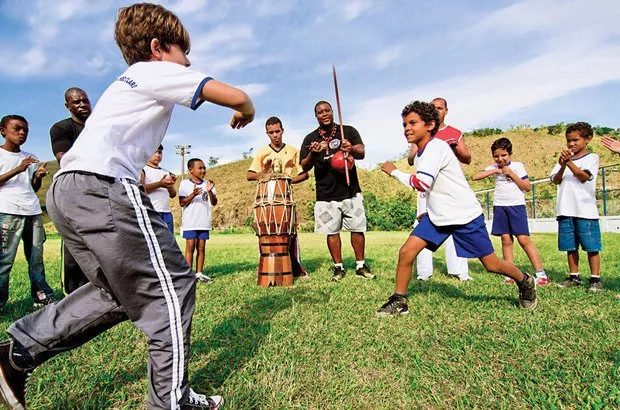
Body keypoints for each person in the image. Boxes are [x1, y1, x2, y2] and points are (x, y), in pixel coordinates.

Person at [0, 4, 254, 410]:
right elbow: (237, 96)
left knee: (117, 293)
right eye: (182, 51)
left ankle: (16, 353)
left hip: (67, 191)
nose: (188, 62)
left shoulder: (124, 84)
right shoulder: (153, 70)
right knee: (174, 286)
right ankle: (171, 403)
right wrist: (246, 110)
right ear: (157, 47)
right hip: (103, 187)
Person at [376, 101, 537, 317]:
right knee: (406, 252)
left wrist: (394, 171)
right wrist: (430, 210)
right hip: (438, 217)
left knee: (492, 264)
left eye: (413, 122)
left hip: (465, 216)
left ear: (430, 124)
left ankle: (525, 281)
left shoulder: (436, 147)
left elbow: (422, 184)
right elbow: (435, 188)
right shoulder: (422, 153)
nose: (407, 128)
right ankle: (399, 300)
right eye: (404, 124)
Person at [300, 101, 374, 282]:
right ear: (316, 116)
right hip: (326, 193)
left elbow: (361, 152)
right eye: (319, 112)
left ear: (332, 112)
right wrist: (312, 153)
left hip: (350, 190)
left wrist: (350, 148)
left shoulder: (347, 131)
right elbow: (304, 165)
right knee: (331, 231)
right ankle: (338, 267)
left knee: (357, 229)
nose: (324, 114)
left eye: (327, 110)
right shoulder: (310, 138)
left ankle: (360, 265)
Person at [407, 97, 471, 281]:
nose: (437, 110)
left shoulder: (454, 133)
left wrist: (454, 149)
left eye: (440, 108)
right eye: (433, 108)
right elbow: (411, 159)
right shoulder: (421, 132)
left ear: (446, 111)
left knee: (454, 223)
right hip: (425, 187)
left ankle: (459, 271)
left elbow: (467, 158)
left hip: (447, 189)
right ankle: (424, 272)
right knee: (423, 225)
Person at [472, 137, 549, 286]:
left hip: (516, 206)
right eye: (496, 156)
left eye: (503, 155)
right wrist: (496, 170)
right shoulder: (494, 167)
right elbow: (475, 176)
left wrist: (511, 174)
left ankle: (541, 274)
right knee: (505, 240)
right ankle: (509, 273)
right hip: (500, 206)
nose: (500, 159)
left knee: (523, 240)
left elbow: (526, 187)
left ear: (510, 153)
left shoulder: (518, 166)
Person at [0, 115, 56, 311]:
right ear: (3, 131)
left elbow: (33, 188)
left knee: (36, 258)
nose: (22, 133)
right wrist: (19, 168)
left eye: (26, 130)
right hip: (6, 211)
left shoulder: (30, 158)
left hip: (32, 211)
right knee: (4, 260)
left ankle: (41, 296)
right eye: (17, 129)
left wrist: (37, 176)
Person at [247, 116, 309, 278]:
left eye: (278, 131)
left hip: (285, 195)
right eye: (271, 132)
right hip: (266, 197)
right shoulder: (262, 152)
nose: (275, 135)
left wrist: (287, 181)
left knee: (290, 231)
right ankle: (267, 266)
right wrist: (265, 174)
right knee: (267, 233)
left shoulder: (293, 150)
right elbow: (250, 175)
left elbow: (304, 174)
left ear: (282, 131)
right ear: (267, 133)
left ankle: (295, 268)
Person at [50, 87, 92, 294]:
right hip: (74, 190)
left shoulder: (99, 127)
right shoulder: (61, 128)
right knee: (75, 244)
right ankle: (73, 291)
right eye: (76, 102)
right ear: (68, 106)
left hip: (100, 189)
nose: (82, 104)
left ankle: (101, 287)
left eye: (85, 100)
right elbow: (63, 158)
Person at [551, 122, 602, 292]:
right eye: (568, 141)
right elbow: (556, 180)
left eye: (575, 140)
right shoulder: (562, 161)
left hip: (585, 210)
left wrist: (569, 162)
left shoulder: (592, 158)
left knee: (591, 246)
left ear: (587, 139)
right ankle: (574, 276)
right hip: (565, 208)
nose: (571, 144)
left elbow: (583, 176)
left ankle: (595, 279)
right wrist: (563, 165)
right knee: (570, 245)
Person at [179, 158, 217, 283]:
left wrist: (210, 191)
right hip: (191, 222)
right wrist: (193, 194)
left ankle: (199, 273)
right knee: (190, 247)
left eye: (204, 168)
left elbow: (214, 202)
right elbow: (182, 202)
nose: (203, 170)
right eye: (200, 168)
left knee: (201, 247)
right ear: (191, 170)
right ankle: (189, 274)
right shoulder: (185, 183)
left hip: (204, 221)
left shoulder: (208, 183)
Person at [141, 144, 177, 233]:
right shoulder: (143, 170)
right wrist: (159, 184)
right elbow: (140, 189)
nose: (157, 155)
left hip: (166, 212)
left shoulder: (166, 172)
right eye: (154, 152)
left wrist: (170, 185)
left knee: (169, 242)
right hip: (151, 211)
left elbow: (173, 194)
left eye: (160, 152)